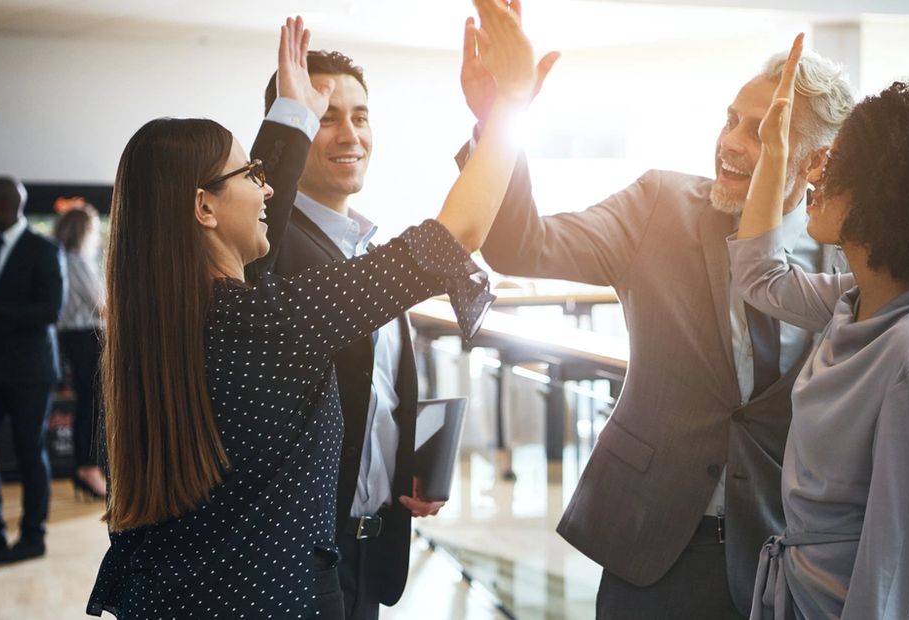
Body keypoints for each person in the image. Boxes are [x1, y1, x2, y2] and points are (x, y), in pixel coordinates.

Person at [87, 4, 536, 617]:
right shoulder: (267, 322)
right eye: (250, 173)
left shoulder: (153, 329)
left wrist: (294, 115)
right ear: (204, 209)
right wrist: (510, 105)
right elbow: (454, 235)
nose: (268, 187)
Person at [458, 16, 855, 617]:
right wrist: (498, 122)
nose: (732, 142)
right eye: (731, 120)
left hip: (782, 556)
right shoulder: (659, 205)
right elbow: (519, 244)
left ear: (816, 162)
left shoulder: (848, 256)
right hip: (655, 542)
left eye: (763, 130)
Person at [730, 36, 909, 619]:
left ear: (888, 200)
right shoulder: (862, 297)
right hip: (816, 590)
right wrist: (773, 149)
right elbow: (758, 276)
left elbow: (889, 566)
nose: (819, 175)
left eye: (843, 167)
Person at [250, 48, 443, 619]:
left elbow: (375, 388)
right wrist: (288, 119)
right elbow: (262, 223)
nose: (348, 134)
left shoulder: (369, 244)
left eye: (359, 117)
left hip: (369, 547)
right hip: (296, 557)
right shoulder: (267, 244)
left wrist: (406, 461)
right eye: (326, 116)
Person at [0, 176, 66, 564]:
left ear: (1, 203)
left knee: (30, 451)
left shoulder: (44, 249)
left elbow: (50, 311)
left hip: (31, 369)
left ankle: (32, 538)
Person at [53, 202, 108, 500]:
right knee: (93, 404)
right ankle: (88, 469)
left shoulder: (62, 259)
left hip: (76, 338)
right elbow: (102, 306)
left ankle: (87, 469)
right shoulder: (78, 262)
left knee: (89, 402)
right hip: (87, 338)